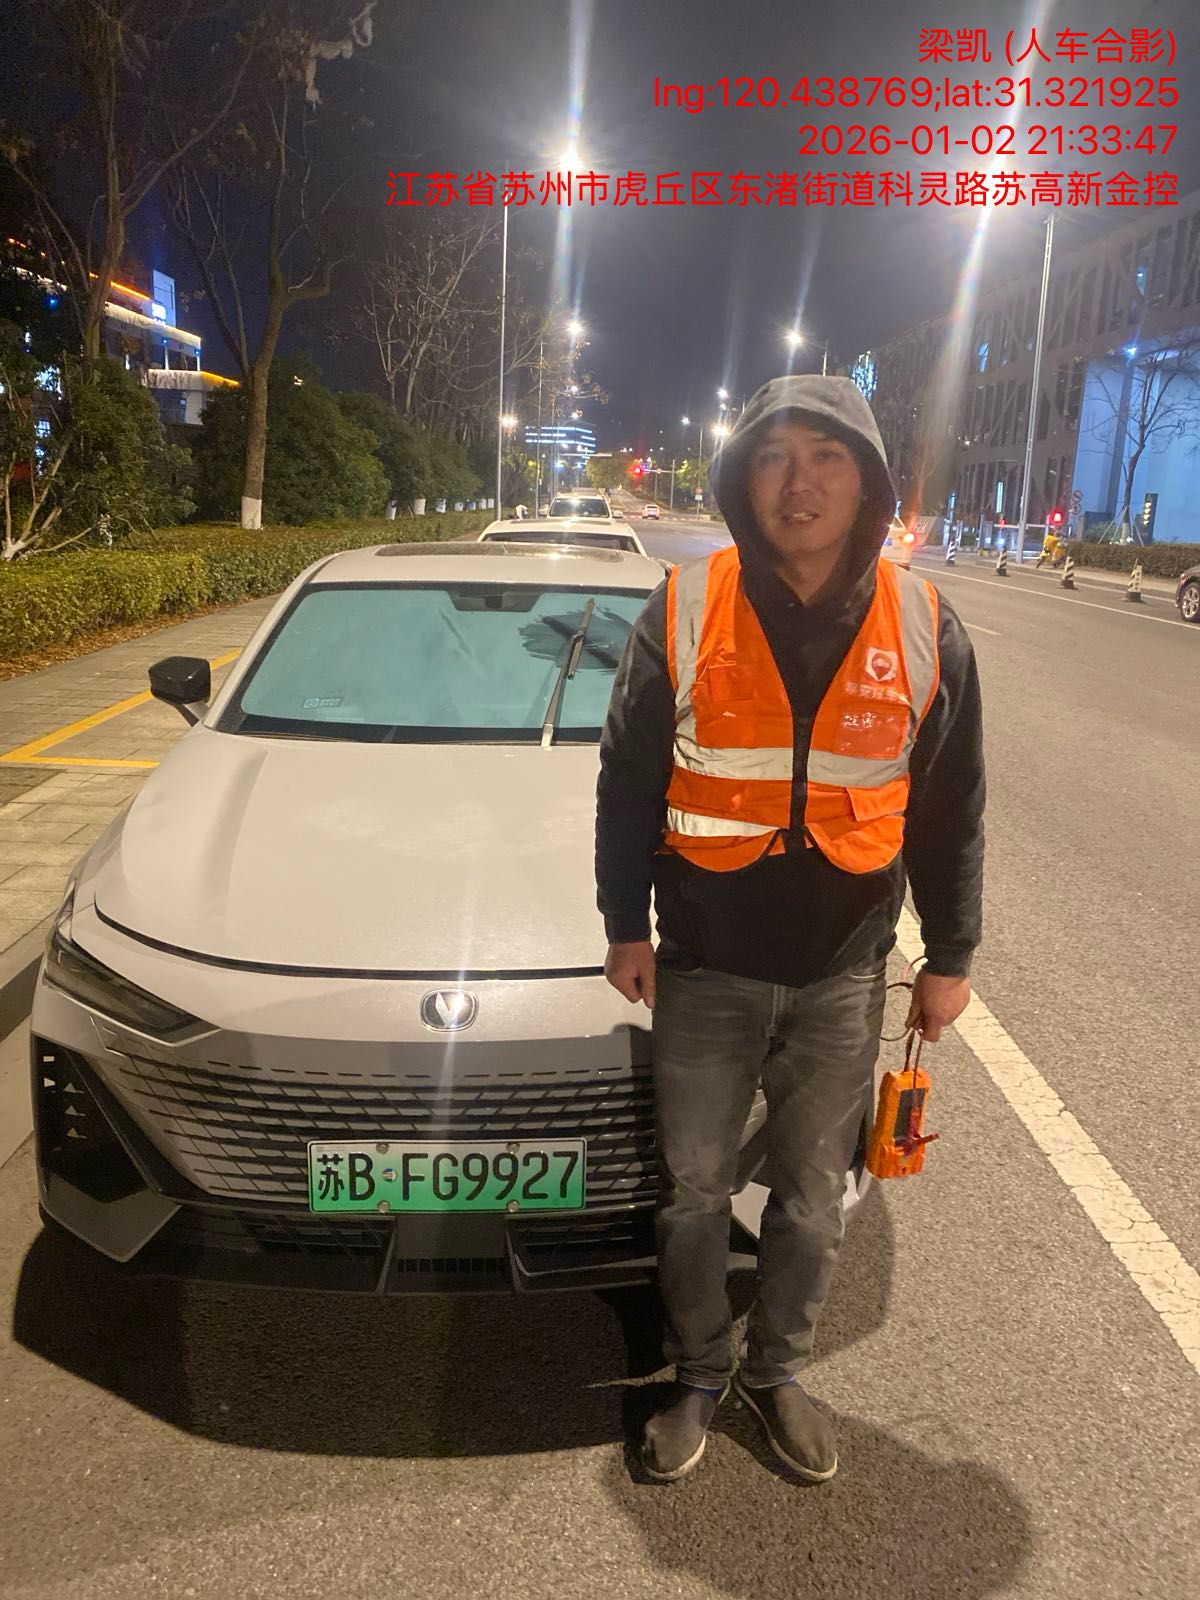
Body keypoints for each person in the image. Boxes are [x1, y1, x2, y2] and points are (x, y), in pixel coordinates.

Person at [595, 375, 984, 1483]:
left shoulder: (924, 624)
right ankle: (699, 1370)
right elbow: (628, 781)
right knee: (694, 1194)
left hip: (844, 974)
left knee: (815, 1203)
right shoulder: (685, 607)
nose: (798, 481)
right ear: (742, 477)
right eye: (773, 456)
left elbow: (952, 805)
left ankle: (778, 1372)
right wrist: (625, 924)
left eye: (826, 456)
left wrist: (951, 955)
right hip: (705, 967)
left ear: (865, 483)